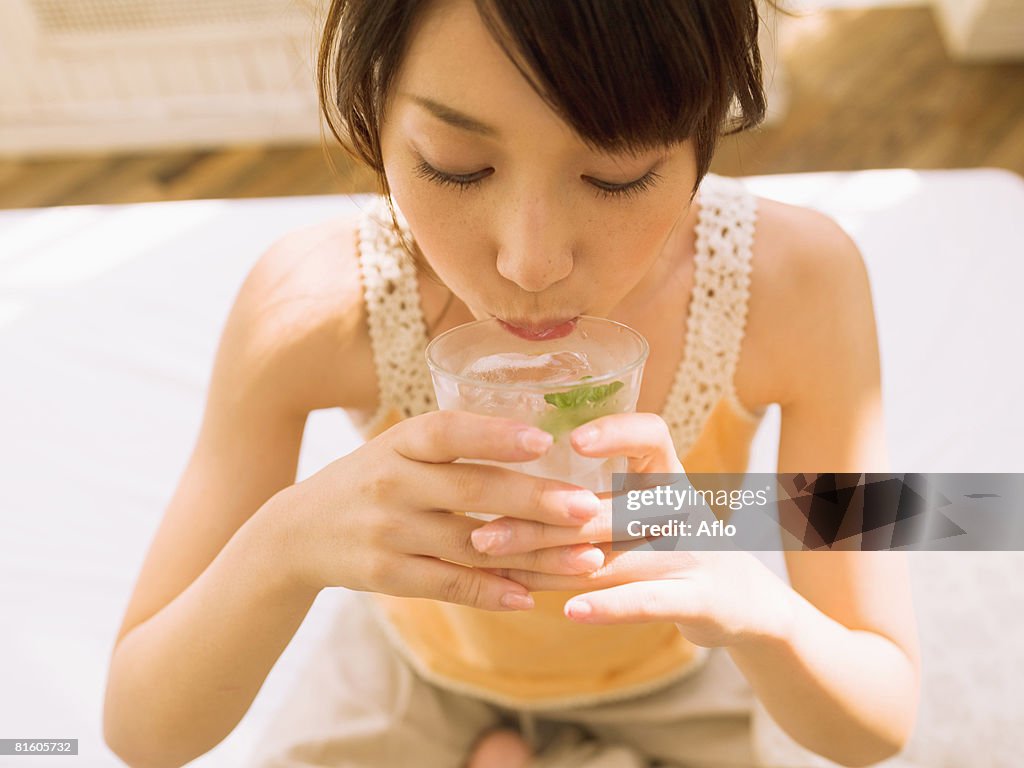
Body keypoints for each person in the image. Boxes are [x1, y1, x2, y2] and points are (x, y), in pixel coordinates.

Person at [103, 1, 922, 766]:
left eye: (617, 176)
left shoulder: (796, 286)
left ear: (704, 137)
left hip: (675, 687)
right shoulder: (313, 302)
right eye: (456, 168)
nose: (532, 263)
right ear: (371, 118)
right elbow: (142, 726)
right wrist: (284, 548)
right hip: (413, 680)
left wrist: (757, 609)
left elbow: (881, 711)